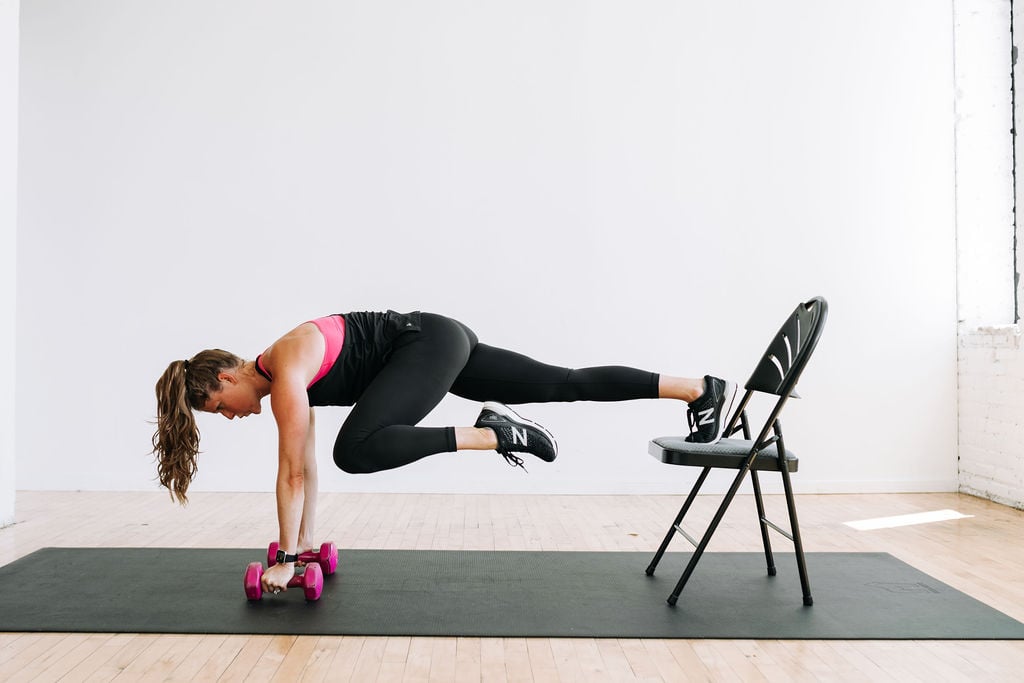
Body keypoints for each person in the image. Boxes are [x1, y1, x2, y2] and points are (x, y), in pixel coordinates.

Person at [152, 310, 736, 594]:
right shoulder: (283, 373)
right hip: (437, 339)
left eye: (217, 408)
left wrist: (282, 561)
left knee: (354, 449)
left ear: (226, 378)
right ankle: (697, 388)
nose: (228, 418)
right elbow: (300, 466)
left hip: (424, 345)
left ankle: (492, 433)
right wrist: (299, 549)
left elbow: (288, 473)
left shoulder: (283, 373)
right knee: (565, 382)